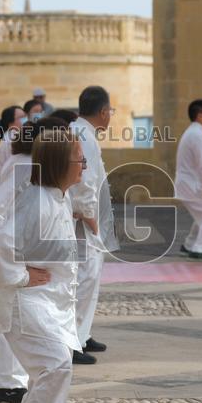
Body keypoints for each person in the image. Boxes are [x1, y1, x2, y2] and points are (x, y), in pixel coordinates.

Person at [0, 116, 70, 403]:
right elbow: (9, 223)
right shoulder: (28, 165)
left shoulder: (25, 159)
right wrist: (20, 271)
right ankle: (10, 384)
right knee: (14, 316)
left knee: (15, 319)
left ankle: (12, 382)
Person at [0, 127, 83, 403]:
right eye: (80, 159)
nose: (85, 166)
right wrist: (21, 275)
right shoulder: (37, 201)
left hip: (49, 301)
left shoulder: (59, 197)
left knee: (52, 364)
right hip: (26, 300)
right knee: (55, 364)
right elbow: (3, 241)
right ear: (61, 163)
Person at [69, 86, 119, 363]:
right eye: (110, 111)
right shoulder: (84, 136)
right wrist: (91, 220)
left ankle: (82, 333)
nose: (110, 115)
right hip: (83, 222)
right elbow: (85, 183)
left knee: (88, 279)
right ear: (102, 112)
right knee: (85, 279)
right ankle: (72, 340)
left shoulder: (82, 132)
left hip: (85, 218)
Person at [174, 99, 202, 261]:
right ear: (200, 116)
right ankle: (201, 249)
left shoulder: (192, 132)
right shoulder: (198, 135)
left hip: (187, 184)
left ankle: (189, 245)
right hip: (191, 185)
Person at [0, 105, 27, 178]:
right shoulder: (11, 140)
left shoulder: (16, 137)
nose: (25, 120)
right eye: (21, 117)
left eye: (25, 116)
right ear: (10, 123)